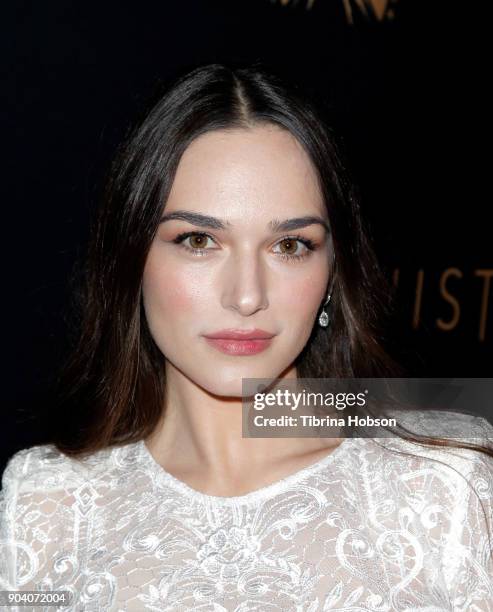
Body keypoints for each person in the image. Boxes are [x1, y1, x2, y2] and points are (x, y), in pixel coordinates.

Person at [1, 63, 492, 611]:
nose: (246, 295)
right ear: (130, 259)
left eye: (290, 246)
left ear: (331, 274)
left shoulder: (452, 487)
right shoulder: (44, 502)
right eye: (198, 240)